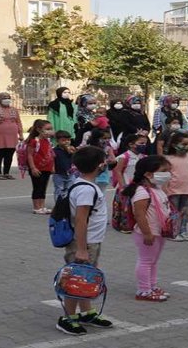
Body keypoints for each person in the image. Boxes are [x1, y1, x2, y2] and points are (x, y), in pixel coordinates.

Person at [56, 146, 114, 334]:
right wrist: (81, 249)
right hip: (84, 242)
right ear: (100, 165)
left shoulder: (83, 184)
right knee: (76, 278)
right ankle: (68, 316)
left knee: (86, 278)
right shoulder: (86, 190)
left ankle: (86, 311)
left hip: (91, 241)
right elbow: (81, 220)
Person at [127, 155, 174, 302]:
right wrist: (147, 233)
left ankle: (152, 286)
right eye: (163, 171)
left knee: (153, 261)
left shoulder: (156, 188)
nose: (167, 174)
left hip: (158, 232)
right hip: (147, 233)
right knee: (146, 261)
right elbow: (139, 215)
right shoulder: (142, 192)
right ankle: (143, 290)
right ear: (148, 174)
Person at [164, 132, 188, 242]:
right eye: (184, 144)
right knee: (174, 211)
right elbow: (164, 177)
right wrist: (165, 191)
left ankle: (183, 230)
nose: (187, 147)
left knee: (185, 211)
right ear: (174, 145)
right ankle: (173, 231)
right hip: (173, 190)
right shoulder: (168, 159)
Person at [0, 92, 23, 180]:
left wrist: (21, 134)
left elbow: (18, 122)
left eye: (8, 97)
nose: (7, 99)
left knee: (9, 155)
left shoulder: (14, 110)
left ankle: (6, 172)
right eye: (4, 98)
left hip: (12, 136)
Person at [23, 119, 55, 215]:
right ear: (39, 129)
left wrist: (52, 167)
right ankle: (36, 207)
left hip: (47, 168)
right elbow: (29, 155)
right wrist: (33, 168)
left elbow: (50, 153)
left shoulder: (47, 140)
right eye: (47, 129)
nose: (50, 131)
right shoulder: (33, 141)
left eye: (51, 129)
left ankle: (42, 206)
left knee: (43, 187)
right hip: (37, 168)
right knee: (37, 187)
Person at [51, 129, 76, 202]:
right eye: (63, 140)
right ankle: (58, 204)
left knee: (70, 189)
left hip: (70, 173)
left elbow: (75, 159)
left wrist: (73, 152)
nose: (66, 142)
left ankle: (67, 203)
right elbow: (52, 160)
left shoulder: (71, 149)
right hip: (59, 173)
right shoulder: (55, 150)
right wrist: (52, 168)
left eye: (68, 140)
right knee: (59, 189)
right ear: (57, 141)